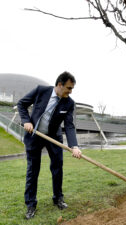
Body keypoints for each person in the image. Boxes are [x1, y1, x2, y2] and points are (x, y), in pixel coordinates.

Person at [17, 71, 82, 220]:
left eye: (72, 88)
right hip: (35, 135)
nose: (70, 91)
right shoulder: (41, 91)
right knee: (33, 170)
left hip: (54, 137)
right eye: (69, 88)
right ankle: (31, 204)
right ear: (60, 85)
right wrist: (26, 120)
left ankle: (58, 198)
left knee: (57, 167)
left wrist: (75, 146)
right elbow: (21, 104)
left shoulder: (69, 103)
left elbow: (69, 126)